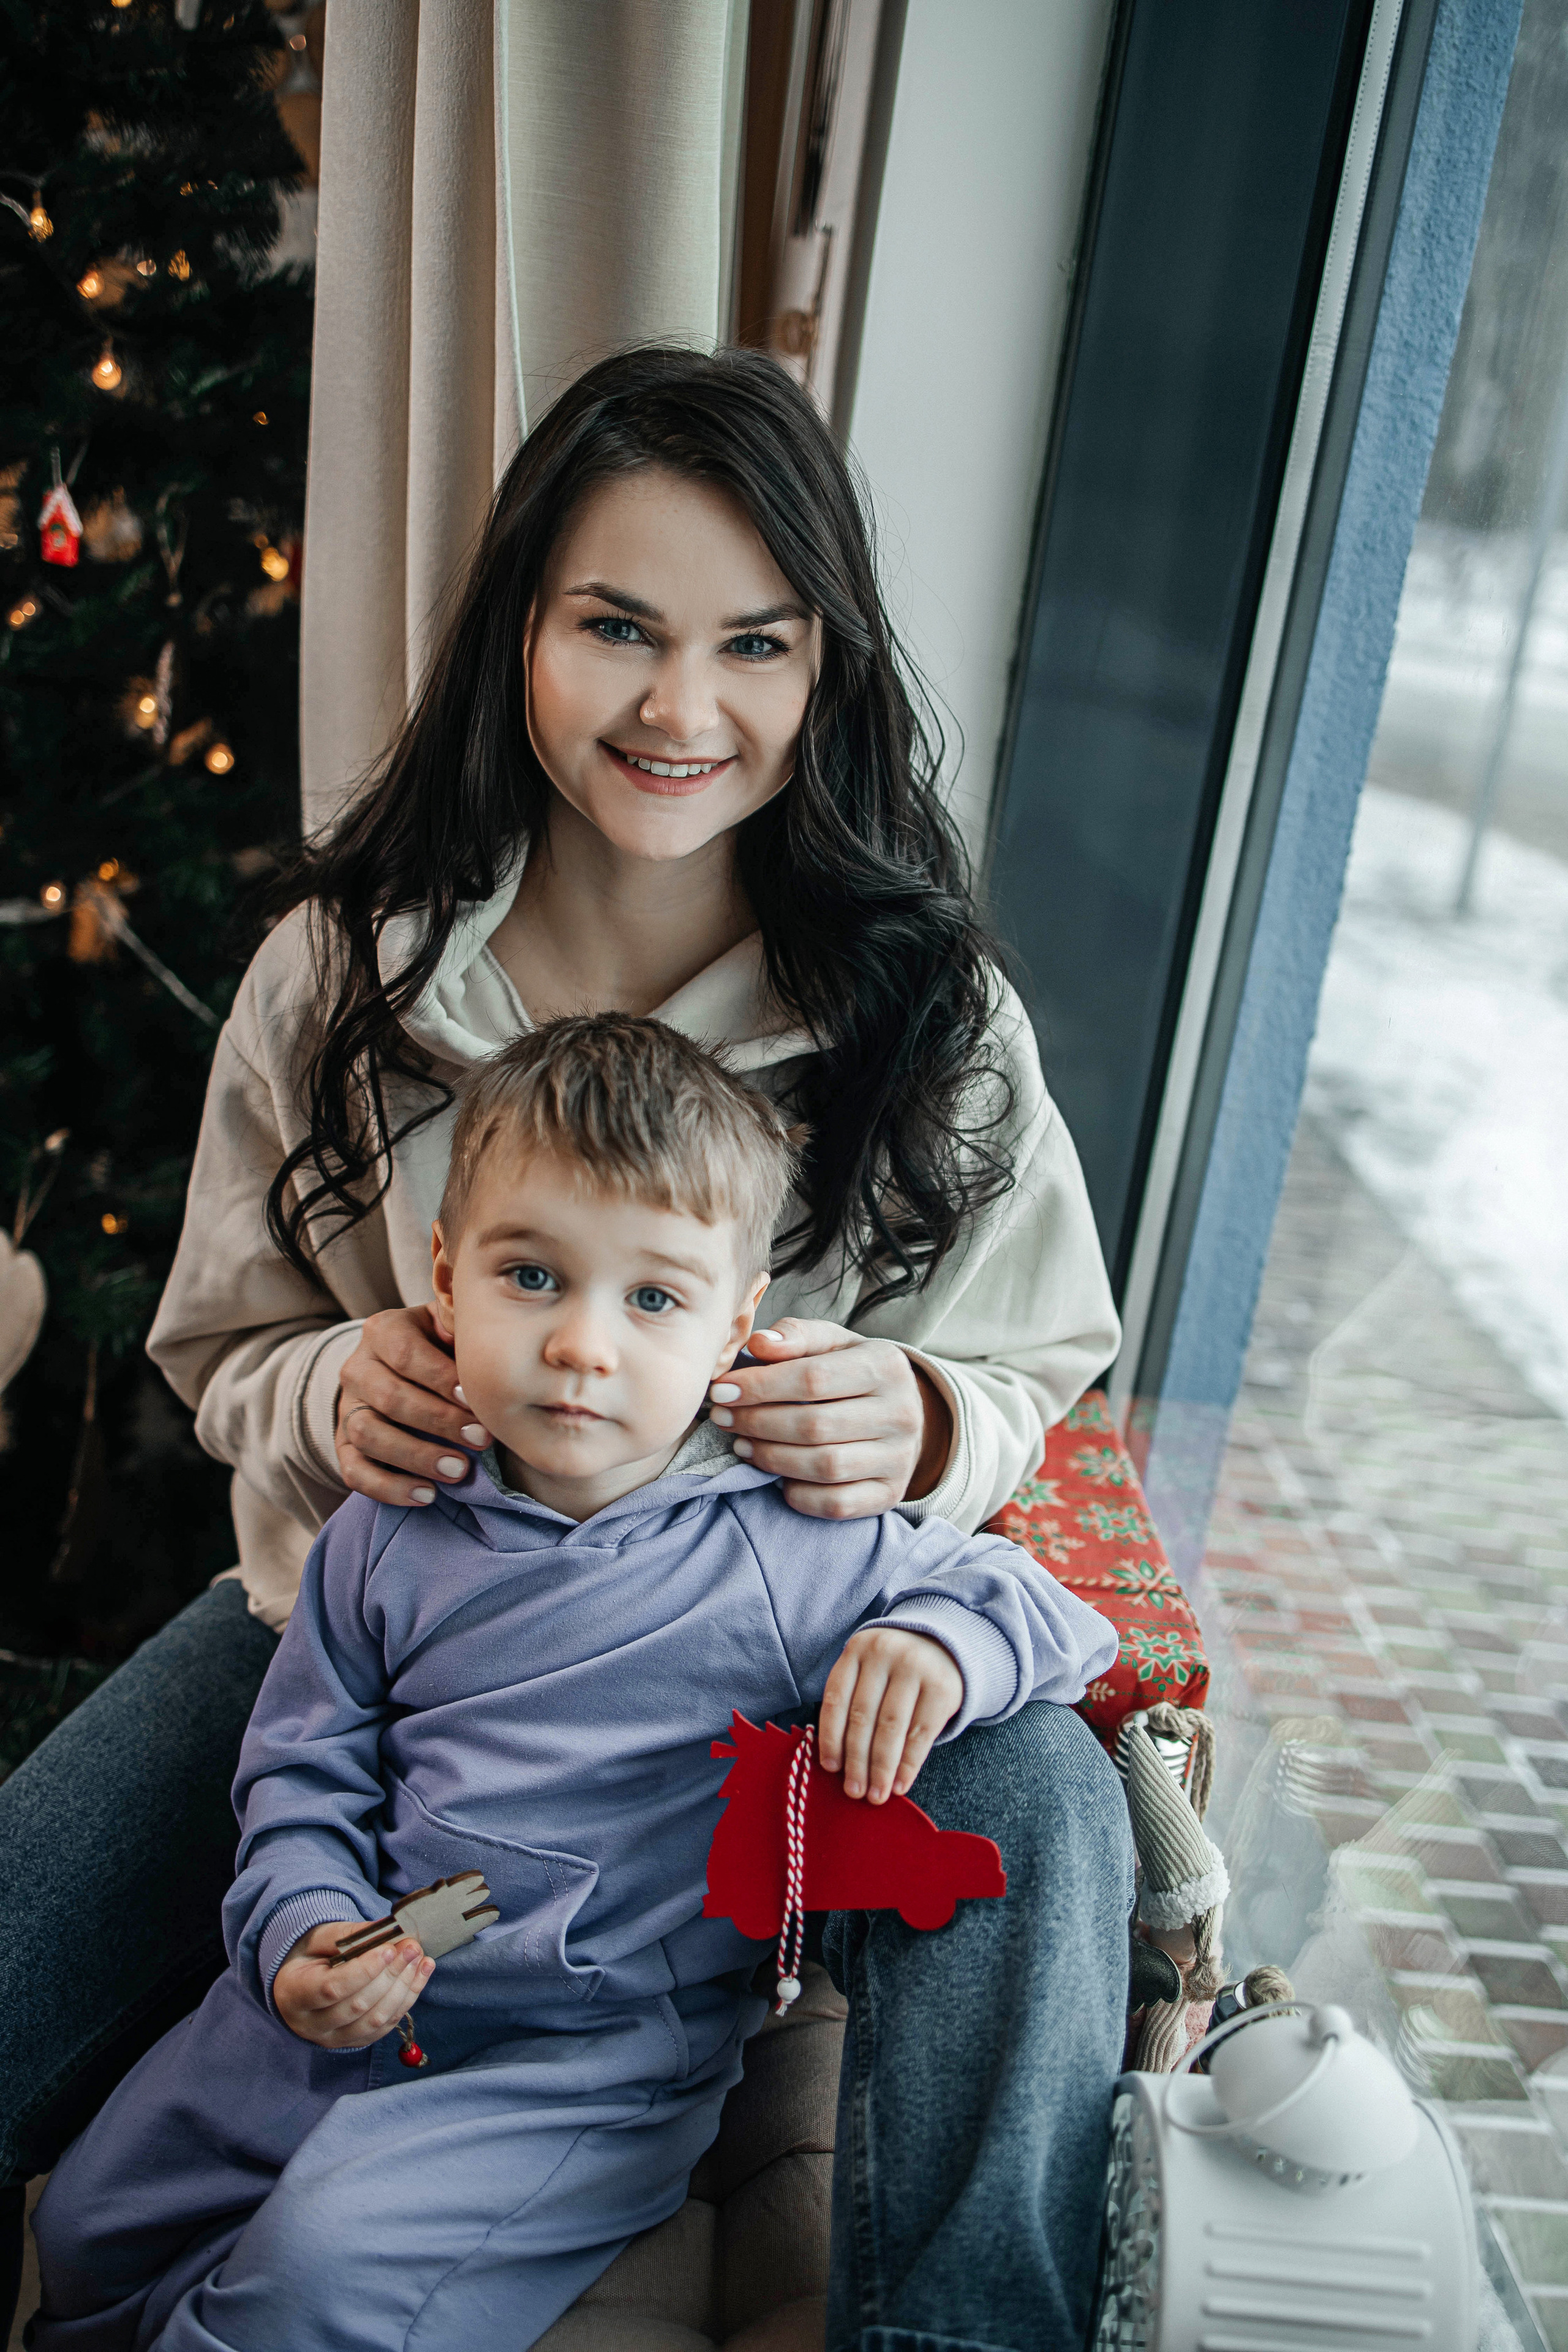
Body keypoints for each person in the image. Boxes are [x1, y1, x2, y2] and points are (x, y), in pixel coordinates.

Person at [0, 345, 1134, 2351]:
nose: (682, 709)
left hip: (763, 1692)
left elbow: (1039, 1366)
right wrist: (329, 1386)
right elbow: (224, 1337)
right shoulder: (342, 973)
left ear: (825, 667)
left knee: (1046, 1788)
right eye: (617, 628)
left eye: (754, 645)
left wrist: (928, 1413)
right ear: (519, 627)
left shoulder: (928, 1013)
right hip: (367, 1632)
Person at [30, 1014, 1121, 2352]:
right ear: (446, 1281)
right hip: (349, 1993)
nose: (582, 1346)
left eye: (652, 1300)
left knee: (313, 2281)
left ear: (735, 1328)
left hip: (575, 2065)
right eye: (533, 1277)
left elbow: (1056, 1615)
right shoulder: (387, 1526)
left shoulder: (782, 1542)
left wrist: (941, 1644)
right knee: (87, 2227)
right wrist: (301, 1930)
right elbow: (303, 1766)